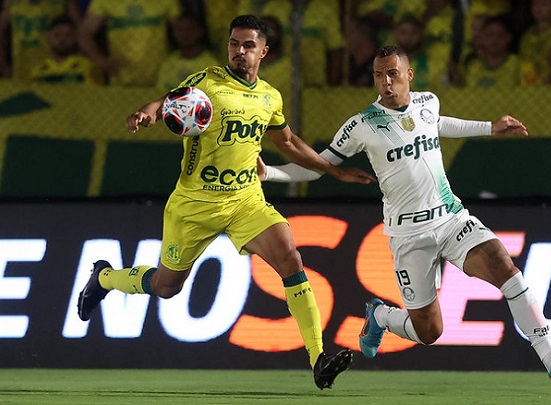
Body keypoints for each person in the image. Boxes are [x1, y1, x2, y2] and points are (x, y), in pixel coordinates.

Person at [260, 45, 551, 387]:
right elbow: (318, 166)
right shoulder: (362, 124)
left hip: (451, 219)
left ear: (409, 75)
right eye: (378, 75)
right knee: (429, 331)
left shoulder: (427, 102)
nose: (385, 82)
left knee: (505, 269)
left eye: (392, 73)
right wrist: (270, 173)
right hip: (409, 237)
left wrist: (489, 128)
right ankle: (381, 315)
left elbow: (438, 123)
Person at [77, 15, 375, 390]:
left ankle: (318, 359)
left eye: (248, 45)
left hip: (245, 200)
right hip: (194, 204)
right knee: (167, 287)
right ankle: (104, 278)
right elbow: (167, 101)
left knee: (290, 257)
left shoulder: (270, 96)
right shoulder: (208, 82)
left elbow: (288, 143)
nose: (239, 51)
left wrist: (336, 171)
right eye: (234, 44)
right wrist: (148, 112)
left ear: (264, 51)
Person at [77, 0, 181, 87]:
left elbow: (186, 30)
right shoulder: (105, 2)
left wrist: (174, 63)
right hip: (121, 81)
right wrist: (102, 61)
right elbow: (84, 34)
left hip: (159, 80)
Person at [0, 0, 81, 80]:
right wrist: (3, 66)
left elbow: (79, 31)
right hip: (20, 70)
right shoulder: (10, 2)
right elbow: (2, 30)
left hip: (54, 72)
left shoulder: (65, 2)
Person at [30, 15, 102, 84]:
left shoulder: (88, 67)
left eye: (68, 34)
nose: (62, 39)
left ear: (76, 37)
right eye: (57, 34)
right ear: (49, 36)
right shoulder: (37, 71)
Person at [155, 15, 219, 91]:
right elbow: (161, 91)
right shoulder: (169, 62)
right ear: (173, 34)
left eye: (189, 29)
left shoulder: (211, 64)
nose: (185, 33)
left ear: (200, 31)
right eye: (180, 29)